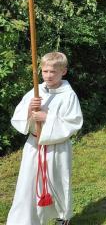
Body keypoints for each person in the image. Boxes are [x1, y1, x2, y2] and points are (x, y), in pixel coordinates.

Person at [7, 52, 83, 225]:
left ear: (63, 71)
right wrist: (29, 109)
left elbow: (74, 122)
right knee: (28, 184)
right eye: (45, 71)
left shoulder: (68, 95)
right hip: (34, 145)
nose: (48, 75)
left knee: (57, 182)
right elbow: (18, 118)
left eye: (53, 72)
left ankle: (62, 217)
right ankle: (24, 220)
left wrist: (47, 118)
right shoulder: (36, 90)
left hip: (57, 149)